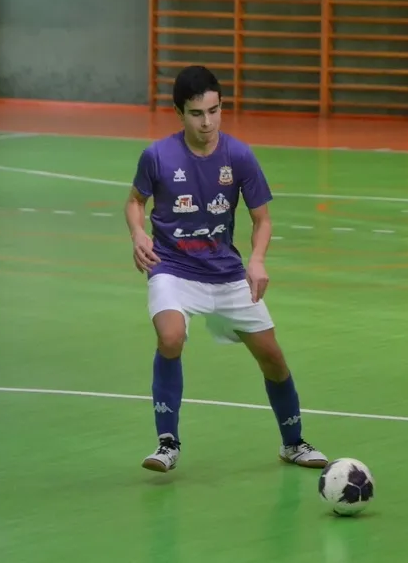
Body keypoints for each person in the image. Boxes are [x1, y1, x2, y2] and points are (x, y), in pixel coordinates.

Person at [124, 65, 328, 473]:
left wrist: (257, 259)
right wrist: (138, 233)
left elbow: (262, 219)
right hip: (172, 266)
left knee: (272, 357)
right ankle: (167, 443)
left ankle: (293, 442)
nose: (208, 122)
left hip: (226, 272)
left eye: (214, 111)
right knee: (170, 337)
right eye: (197, 113)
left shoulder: (238, 156)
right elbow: (135, 201)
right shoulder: (157, 156)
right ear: (179, 113)